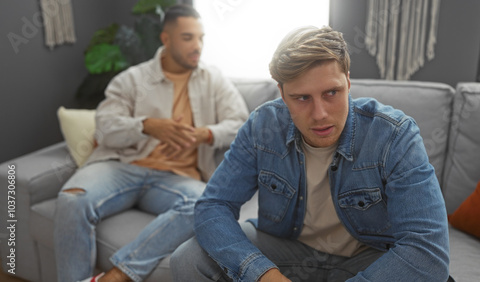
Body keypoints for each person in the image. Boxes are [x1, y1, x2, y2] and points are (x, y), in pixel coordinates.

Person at [170, 25, 451, 282]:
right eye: (302, 98)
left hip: (370, 260)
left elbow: (426, 250)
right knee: (188, 259)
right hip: (286, 251)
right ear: (281, 93)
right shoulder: (262, 126)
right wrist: (261, 273)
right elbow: (213, 205)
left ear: (348, 82)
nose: (320, 115)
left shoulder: (394, 135)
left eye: (331, 93)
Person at [53, 4, 249, 282]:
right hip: (122, 167)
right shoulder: (132, 80)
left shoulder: (213, 79)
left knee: (203, 205)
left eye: (201, 37)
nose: (197, 46)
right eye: (187, 38)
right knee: (72, 198)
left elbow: (241, 124)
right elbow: (106, 128)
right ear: (165, 39)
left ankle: (117, 276)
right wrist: (147, 125)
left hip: (177, 179)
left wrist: (204, 134)